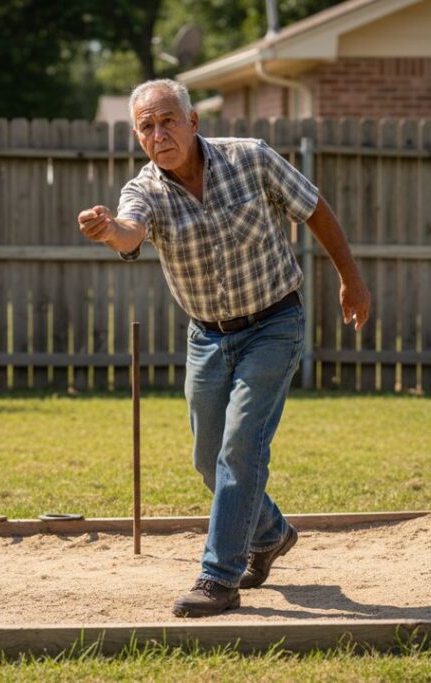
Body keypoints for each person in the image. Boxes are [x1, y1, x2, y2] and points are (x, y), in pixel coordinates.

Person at [77, 79, 371, 618]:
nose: (159, 133)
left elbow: (314, 208)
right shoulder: (143, 190)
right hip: (207, 335)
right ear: (138, 137)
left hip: (274, 322)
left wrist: (350, 277)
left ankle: (219, 577)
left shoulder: (250, 159)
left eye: (168, 121)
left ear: (193, 122)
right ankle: (272, 533)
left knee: (241, 447)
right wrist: (108, 231)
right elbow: (128, 233)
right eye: (147, 126)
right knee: (208, 459)